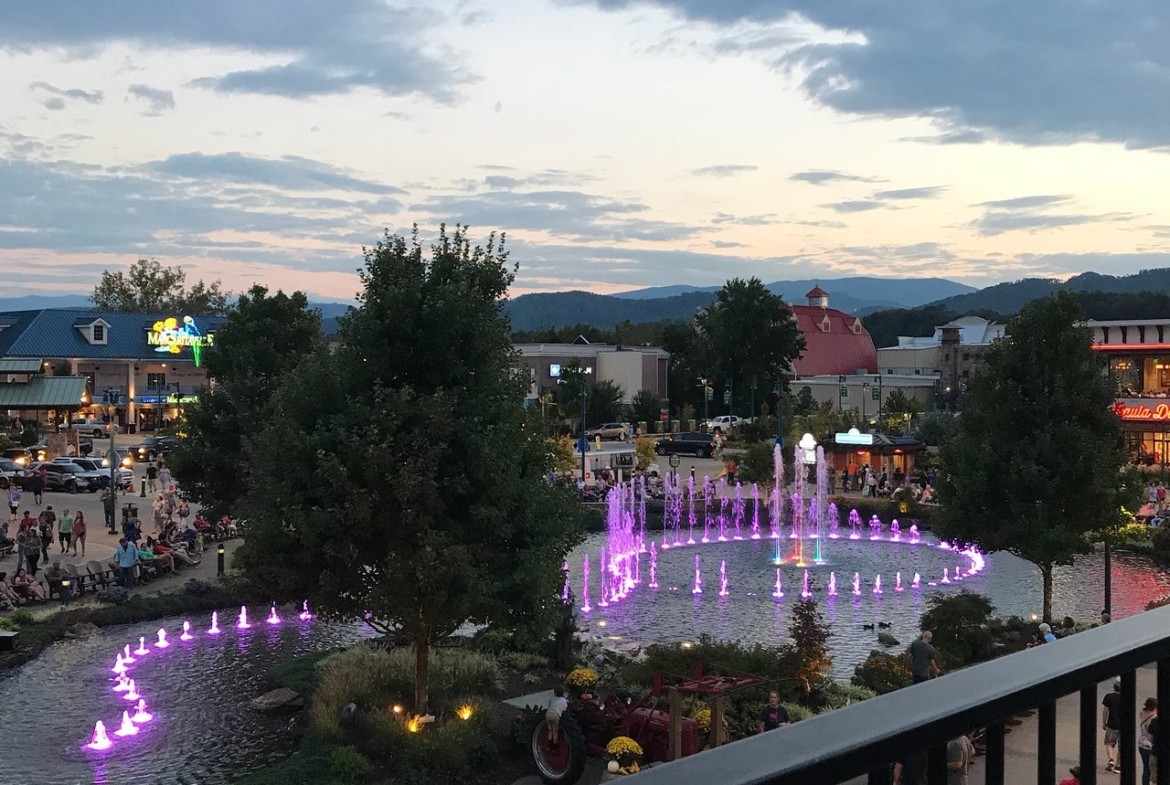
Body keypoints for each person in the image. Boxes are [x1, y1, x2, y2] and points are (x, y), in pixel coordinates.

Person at [1103, 678, 1123, 773]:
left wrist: (1104, 722)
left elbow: (1105, 710)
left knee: (1109, 743)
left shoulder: (1109, 697)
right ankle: (1118, 766)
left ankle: (1111, 759)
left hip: (1112, 723)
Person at [1141, 698, 1158, 785]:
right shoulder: (1154, 717)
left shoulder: (1143, 713)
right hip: (1150, 745)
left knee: (1146, 768)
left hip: (1142, 743)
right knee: (1150, 769)